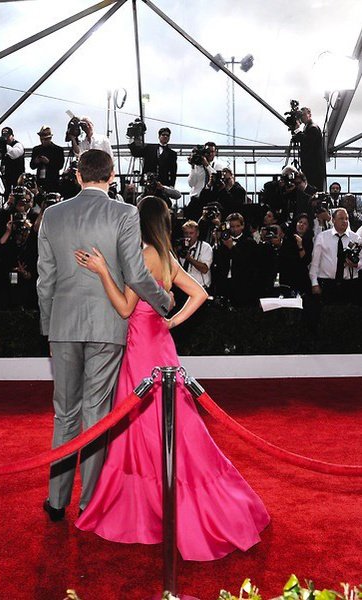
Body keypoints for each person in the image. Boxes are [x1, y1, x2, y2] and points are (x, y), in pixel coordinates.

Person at [74, 195, 270, 561]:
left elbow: (124, 306)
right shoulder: (165, 256)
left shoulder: (143, 256)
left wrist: (102, 270)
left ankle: (145, 510)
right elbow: (200, 293)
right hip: (161, 346)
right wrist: (171, 322)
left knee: (141, 427)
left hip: (141, 352)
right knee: (172, 427)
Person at [37, 149, 171, 522]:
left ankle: (57, 502)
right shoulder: (124, 213)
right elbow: (137, 275)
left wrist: (49, 326)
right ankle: (90, 503)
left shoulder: (52, 215)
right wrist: (164, 301)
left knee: (65, 415)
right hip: (107, 325)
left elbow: (44, 279)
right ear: (112, 177)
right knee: (97, 414)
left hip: (63, 325)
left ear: (77, 176)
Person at [309, 208, 362, 304]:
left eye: (347, 218)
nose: (345, 221)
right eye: (341, 218)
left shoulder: (355, 238)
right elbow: (315, 263)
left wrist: (356, 264)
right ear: (333, 220)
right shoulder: (322, 237)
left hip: (350, 283)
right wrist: (314, 283)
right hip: (327, 283)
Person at [292, 107, 326, 191]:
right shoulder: (307, 127)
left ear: (309, 115)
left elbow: (307, 142)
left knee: (312, 191)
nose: (302, 117)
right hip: (312, 167)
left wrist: (296, 130)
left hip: (314, 169)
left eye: (303, 115)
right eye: (301, 115)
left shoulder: (313, 128)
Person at [30, 126, 65, 193]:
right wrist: (36, 161)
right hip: (40, 181)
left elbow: (60, 165)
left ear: (50, 138)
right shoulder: (36, 149)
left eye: (45, 139)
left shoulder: (58, 150)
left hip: (53, 181)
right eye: (41, 139)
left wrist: (48, 162)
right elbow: (32, 166)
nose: (43, 141)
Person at [1, 126, 25, 198]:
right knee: (7, 194)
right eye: (4, 136)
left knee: (18, 195)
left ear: (12, 136)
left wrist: (5, 146)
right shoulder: (3, 146)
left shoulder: (18, 145)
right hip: (8, 177)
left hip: (18, 177)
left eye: (8, 136)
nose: (6, 138)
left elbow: (15, 154)